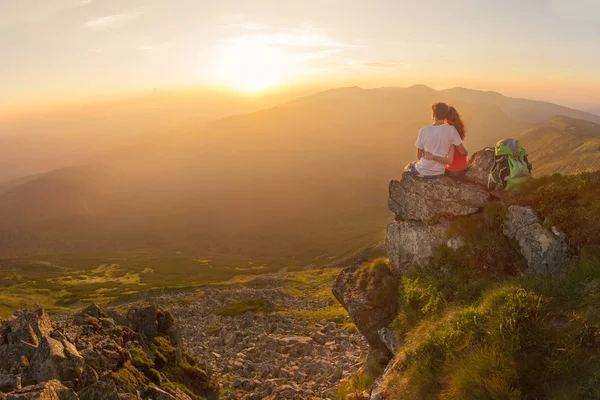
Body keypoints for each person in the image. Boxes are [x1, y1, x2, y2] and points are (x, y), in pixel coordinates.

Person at [405, 102, 467, 178]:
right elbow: (461, 153)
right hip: (439, 172)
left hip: (423, 170)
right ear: (445, 116)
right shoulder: (452, 130)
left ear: (433, 115)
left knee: (409, 167)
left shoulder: (423, 131)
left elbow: (419, 156)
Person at [423, 106, 469, 179]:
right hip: (463, 168)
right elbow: (463, 152)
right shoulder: (456, 129)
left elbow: (461, 152)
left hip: (453, 171)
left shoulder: (448, 131)